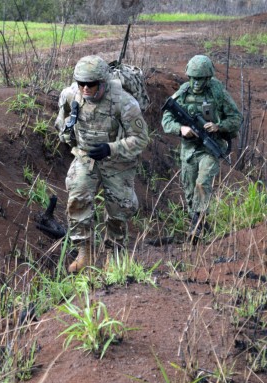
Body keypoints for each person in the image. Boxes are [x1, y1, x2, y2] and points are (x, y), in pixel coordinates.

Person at [55, 55, 149, 273]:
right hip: (86, 156)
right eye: (82, 83)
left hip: (117, 160)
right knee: (77, 197)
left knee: (119, 209)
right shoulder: (71, 95)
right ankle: (84, 251)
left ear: (103, 82)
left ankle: (114, 253)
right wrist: (69, 134)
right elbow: (61, 122)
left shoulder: (123, 102)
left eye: (92, 84)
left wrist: (111, 148)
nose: (86, 88)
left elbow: (140, 139)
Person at [162, 54, 242, 244]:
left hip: (210, 146)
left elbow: (236, 118)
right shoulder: (183, 92)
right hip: (189, 150)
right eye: (193, 78)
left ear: (208, 78)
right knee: (189, 191)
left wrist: (218, 126)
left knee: (202, 182)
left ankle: (197, 226)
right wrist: (181, 129)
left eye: (200, 79)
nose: (196, 83)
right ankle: (199, 222)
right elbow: (166, 119)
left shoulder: (218, 93)